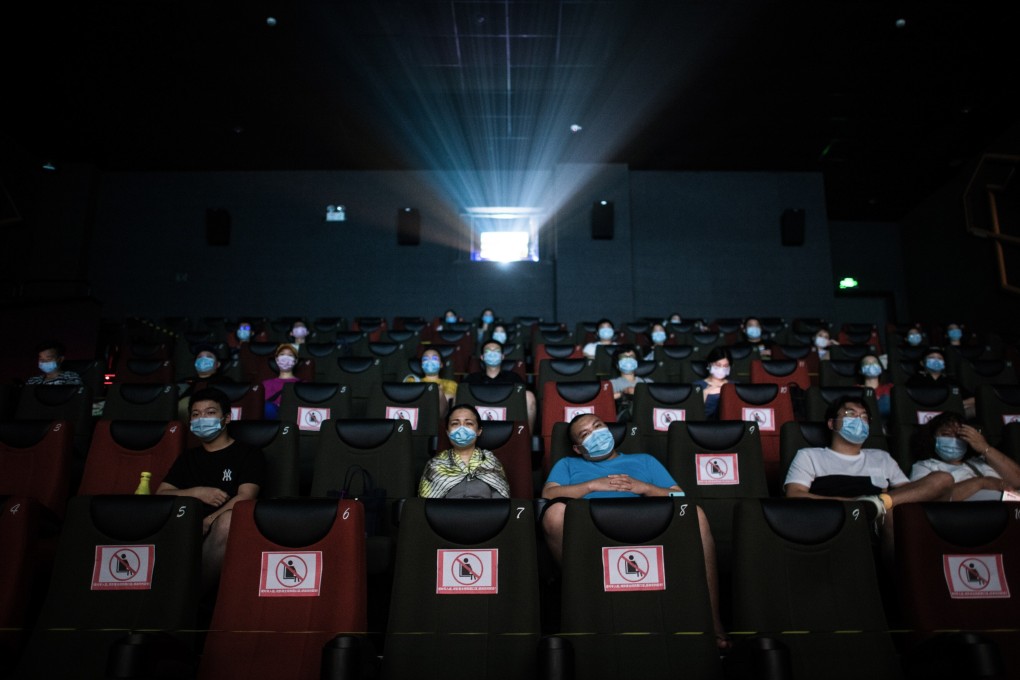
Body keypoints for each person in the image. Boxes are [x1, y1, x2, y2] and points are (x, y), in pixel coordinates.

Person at [541, 413, 728, 647]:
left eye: (598, 426)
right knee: (553, 513)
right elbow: (549, 493)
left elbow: (679, 495)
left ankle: (712, 621)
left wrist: (644, 487)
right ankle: (585, 605)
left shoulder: (644, 460)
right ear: (578, 449)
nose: (595, 434)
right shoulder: (568, 464)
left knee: (695, 514)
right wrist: (593, 485)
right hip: (591, 531)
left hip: (648, 525)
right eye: (585, 434)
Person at [784, 395, 952, 558]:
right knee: (890, 515)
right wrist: (856, 504)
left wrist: (880, 504)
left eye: (864, 417)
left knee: (943, 479)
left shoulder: (881, 457)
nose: (859, 420)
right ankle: (873, 505)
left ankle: (878, 504)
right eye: (850, 414)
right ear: (831, 423)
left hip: (878, 522)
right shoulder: (810, 455)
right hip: (834, 519)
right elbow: (794, 493)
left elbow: (909, 492)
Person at [157, 387, 265, 589]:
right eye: (196, 414)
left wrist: (209, 521)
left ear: (227, 418)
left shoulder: (249, 454)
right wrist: (197, 492)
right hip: (186, 525)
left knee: (227, 521)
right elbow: (161, 494)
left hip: (222, 527)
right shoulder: (187, 458)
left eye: (210, 412)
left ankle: (190, 594)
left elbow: (246, 496)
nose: (202, 419)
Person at [909, 412, 1020, 501]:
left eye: (959, 435)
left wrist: (985, 448)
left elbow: (1017, 481)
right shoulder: (924, 466)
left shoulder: (980, 462)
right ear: (933, 438)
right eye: (946, 434)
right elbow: (928, 499)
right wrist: (982, 482)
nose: (953, 439)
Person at [418, 404, 510, 499]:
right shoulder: (435, 465)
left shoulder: (491, 462)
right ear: (447, 432)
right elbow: (427, 504)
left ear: (479, 431)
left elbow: (501, 503)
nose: (462, 429)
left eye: (469, 423)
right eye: (455, 424)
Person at [463, 340, 536, 431]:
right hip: (476, 422)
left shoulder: (514, 377)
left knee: (529, 396)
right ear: (482, 357)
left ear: (502, 356)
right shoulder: (472, 378)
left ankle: (526, 436)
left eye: (496, 351)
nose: (492, 354)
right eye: (488, 351)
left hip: (508, 418)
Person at [906, 346, 975, 418]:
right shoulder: (915, 380)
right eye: (932, 357)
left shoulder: (951, 381)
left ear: (944, 363)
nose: (936, 360)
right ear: (922, 363)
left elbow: (972, 399)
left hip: (949, 415)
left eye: (940, 358)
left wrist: (956, 404)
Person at [404, 347, 458, 417]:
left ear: (441, 364)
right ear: (421, 365)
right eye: (425, 359)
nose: (430, 361)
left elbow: (449, 401)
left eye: (434, 359)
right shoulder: (413, 380)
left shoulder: (450, 384)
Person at [610, 344, 652, 421]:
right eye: (624, 358)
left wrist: (639, 392)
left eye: (631, 357)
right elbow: (604, 401)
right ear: (617, 364)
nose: (628, 360)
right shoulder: (611, 384)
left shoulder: (648, 382)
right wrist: (623, 393)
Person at [262, 344, 301, 419]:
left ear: (296, 361)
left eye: (290, 355)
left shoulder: (303, 384)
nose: (285, 358)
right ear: (276, 360)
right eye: (282, 354)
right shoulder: (265, 384)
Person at [694, 347, 732, 419]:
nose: (721, 368)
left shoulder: (735, 386)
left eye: (725, 366)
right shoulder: (697, 386)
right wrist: (705, 392)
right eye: (718, 365)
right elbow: (694, 413)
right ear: (709, 365)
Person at [857, 352, 893, 423]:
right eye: (867, 363)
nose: (871, 365)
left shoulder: (890, 388)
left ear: (880, 368)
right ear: (860, 370)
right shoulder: (856, 390)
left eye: (875, 363)